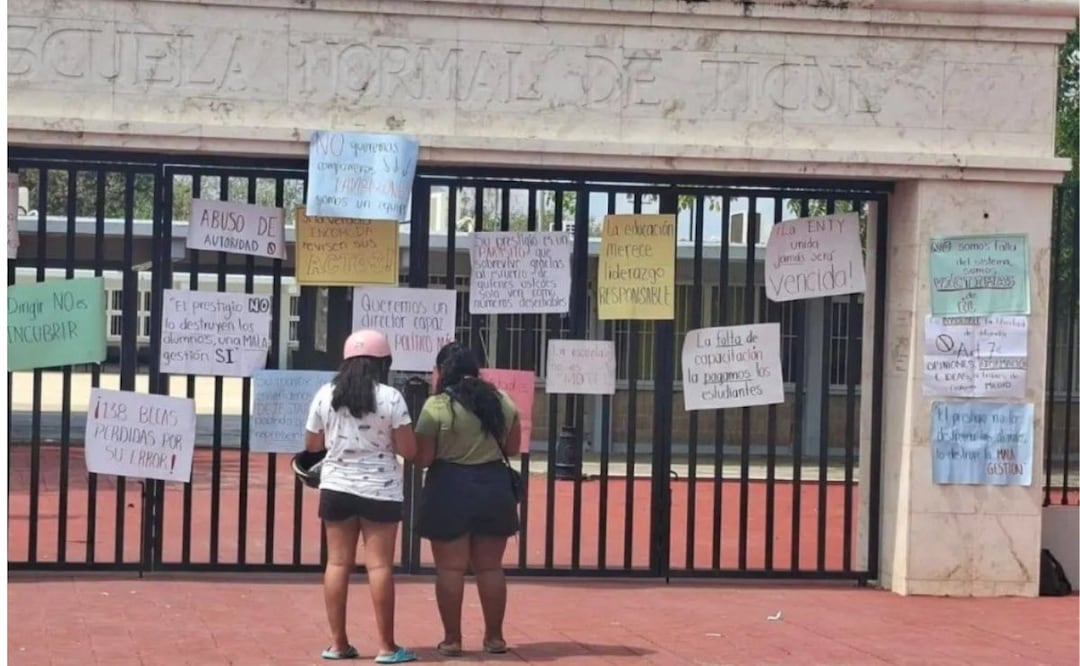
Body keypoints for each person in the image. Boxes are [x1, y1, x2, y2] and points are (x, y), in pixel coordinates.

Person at [301, 329, 418, 664]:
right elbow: (409, 449)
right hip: (380, 490)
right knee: (379, 566)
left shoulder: (326, 394)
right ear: (382, 363)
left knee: (337, 563)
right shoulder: (391, 398)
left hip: (336, 486)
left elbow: (312, 445)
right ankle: (387, 647)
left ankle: (338, 645)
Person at [412, 341, 521, 658]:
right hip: (493, 487)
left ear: (441, 372)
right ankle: (495, 638)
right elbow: (512, 448)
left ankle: (452, 640)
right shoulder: (502, 401)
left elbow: (424, 458)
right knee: (490, 568)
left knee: (450, 568)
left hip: (449, 487)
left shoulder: (437, 407)